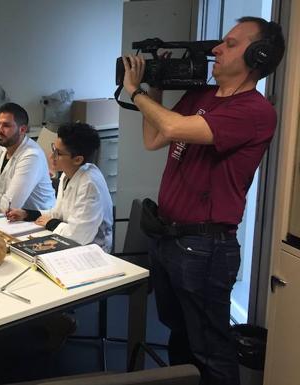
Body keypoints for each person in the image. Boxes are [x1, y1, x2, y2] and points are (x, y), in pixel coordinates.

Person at [121, 17, 285, 385]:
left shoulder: (255, 112)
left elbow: (175, 128)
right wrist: (156, 91)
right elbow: (155, 138)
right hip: (168, 238)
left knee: (211, 349)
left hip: (205, 246)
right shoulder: (201, 96)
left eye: (229, 44)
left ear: (259, 54)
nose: (216, 50)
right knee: (179, 336)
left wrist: (136, 91)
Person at [6, 123, 113, 250]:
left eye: (58, 153)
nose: (51, 156)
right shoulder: (68, 174)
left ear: (78, 159)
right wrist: (27, 214)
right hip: (69, 243)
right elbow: (58, 213)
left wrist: (51, 223)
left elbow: (78, 236)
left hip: (92, 252)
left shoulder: (89, 184)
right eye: (53, 149)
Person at [0, 102, 56, 212]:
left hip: (38, 219)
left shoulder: (32, 156)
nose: (0, 130)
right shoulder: (3, 148)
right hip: (15, 217)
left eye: (6, 125)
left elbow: (10, 205)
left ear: (23, 130)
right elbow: (2, 191)